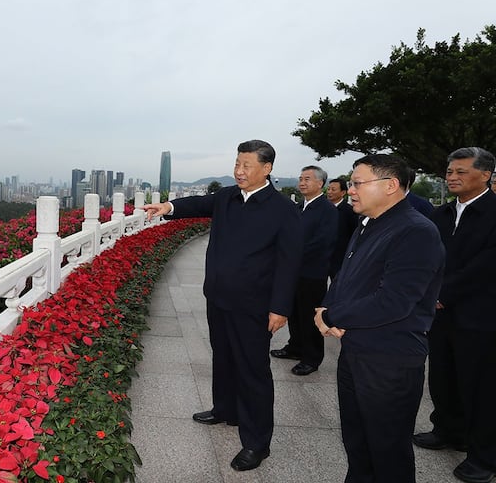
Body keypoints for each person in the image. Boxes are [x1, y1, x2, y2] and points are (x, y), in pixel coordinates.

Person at [143, 140, 301, 472]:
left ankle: (257, 442)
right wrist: (167, 208)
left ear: (267, 169)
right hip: (218, 297)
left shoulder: (283, 210)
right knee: (224, 356)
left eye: (246, 166)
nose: (239, 171)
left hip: (254, 305)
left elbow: (289, 264)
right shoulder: (227, 197)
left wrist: (280, 308)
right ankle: (224, 409)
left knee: (253, 370)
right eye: (236, 164)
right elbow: (199, 203)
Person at [314, 154, 445, 483]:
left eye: (358, 183)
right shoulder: (369, 223)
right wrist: (326, 308)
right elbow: (346, 276)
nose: (351, 190)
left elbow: (395, 301)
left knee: (387, 452)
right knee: (358, 445)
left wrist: (333, 314)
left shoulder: (416, 232)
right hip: (357, 350)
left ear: (390, 186)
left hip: (390, 360)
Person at [412, 147, 496, 483]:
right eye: (449, 171)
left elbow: (487, 265)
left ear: (486, 175)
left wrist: (443, 293)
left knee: (481, 387)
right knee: (443, 377)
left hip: (481, 316)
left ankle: (484, 456)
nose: (451, 177)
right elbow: (425, 256)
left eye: (461, 172)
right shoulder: (441, 214)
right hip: (440, 315)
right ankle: (447, 429)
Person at [270, 166, 337, 376]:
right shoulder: (298, 208)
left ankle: (312, 358)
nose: (302, 182)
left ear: (320, 183)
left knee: (309, 316)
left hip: (311, 273)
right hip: (292, 273)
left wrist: (290, 254)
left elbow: (322, 243)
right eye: (300, 178)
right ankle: (295, 347)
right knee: (295, 313)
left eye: (307, 179)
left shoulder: (328, 210)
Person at [325, 177, 358, 280]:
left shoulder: (350, 212)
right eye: (328, 189)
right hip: (322, 257)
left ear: (343, 192)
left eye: (333, 189)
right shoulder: (323, 209)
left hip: (340, 258)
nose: (329, 192)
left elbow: (354, 234)